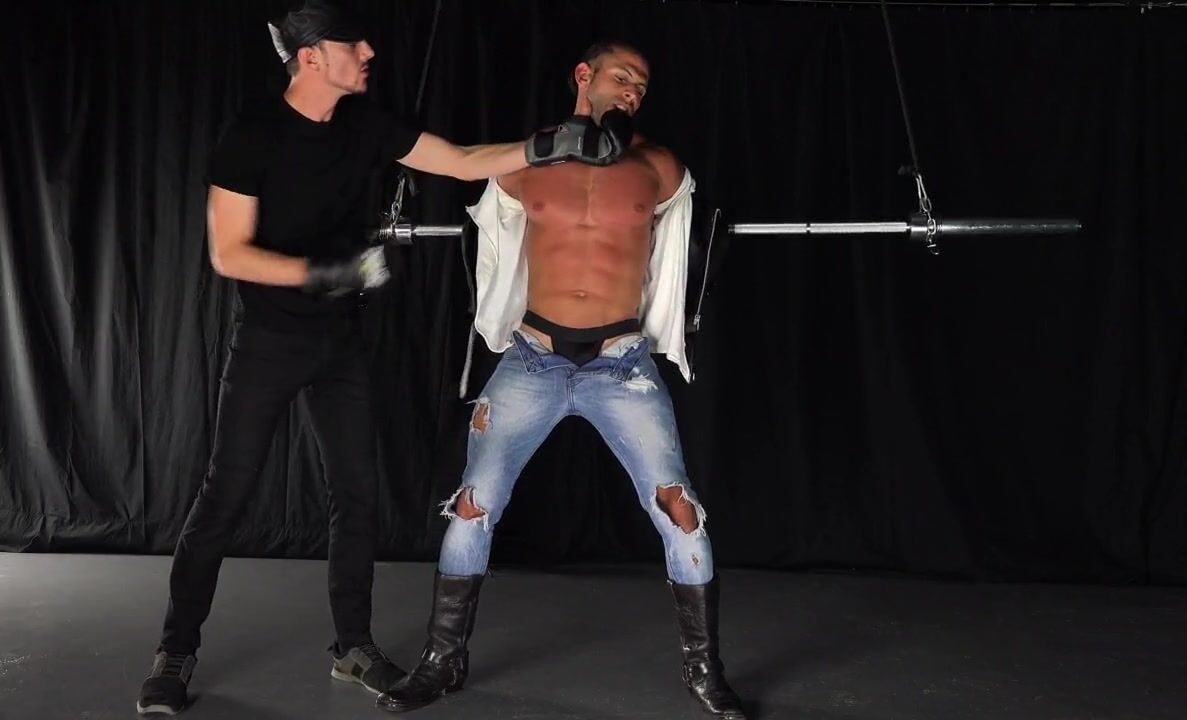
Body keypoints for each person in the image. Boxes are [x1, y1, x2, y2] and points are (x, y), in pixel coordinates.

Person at [132, 1, 609, 714]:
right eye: (352, 44)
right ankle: (176, 652)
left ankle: (352, 647)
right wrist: (321, 273)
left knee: (357, 497)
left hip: (341, 344)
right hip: (269, 342)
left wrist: (548, 145)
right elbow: (228, 252)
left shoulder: (367, 124)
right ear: (311, 57)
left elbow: (459, 161)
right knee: (224, 496)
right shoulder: (251, 135)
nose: (369, 52)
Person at [376, 40, 747, 719]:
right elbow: (474, 197)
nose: (632, 91)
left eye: (642, 85)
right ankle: (441, 660)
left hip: (622, 366)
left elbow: (686, 250)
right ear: (584, 76)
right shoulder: (524, 163)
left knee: (681, 510)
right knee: (472, 504)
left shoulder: (660, 169)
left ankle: (705, 670)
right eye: (621, 77)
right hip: (533, 360)